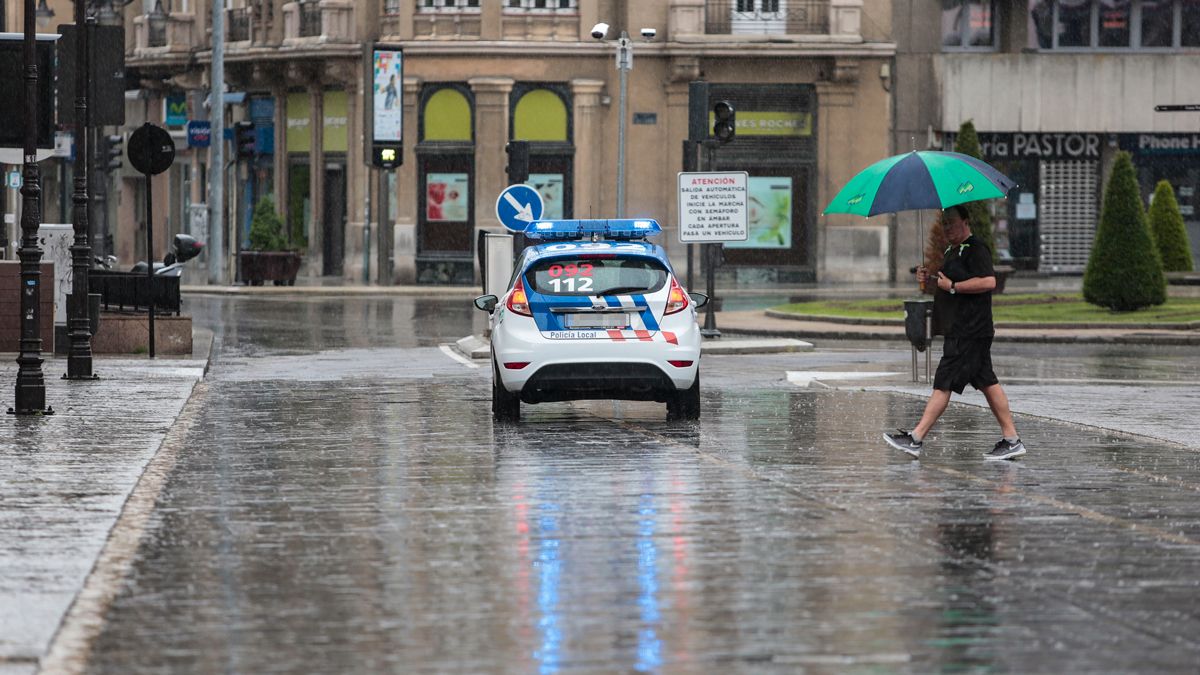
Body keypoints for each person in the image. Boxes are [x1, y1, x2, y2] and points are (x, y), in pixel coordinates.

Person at [884, 204, 1026, 461]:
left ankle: (916, 438)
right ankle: (1012, 439)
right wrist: (929, 280)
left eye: (951, 222)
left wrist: (954, 286)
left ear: (966, 222)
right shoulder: (953, 251)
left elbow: (988, 281)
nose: (947, 227)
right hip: (964, 328)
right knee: (987, 382)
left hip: (970, 330)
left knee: (944, 382)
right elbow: (946, 285)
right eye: (944, 222)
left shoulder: (976, 249)